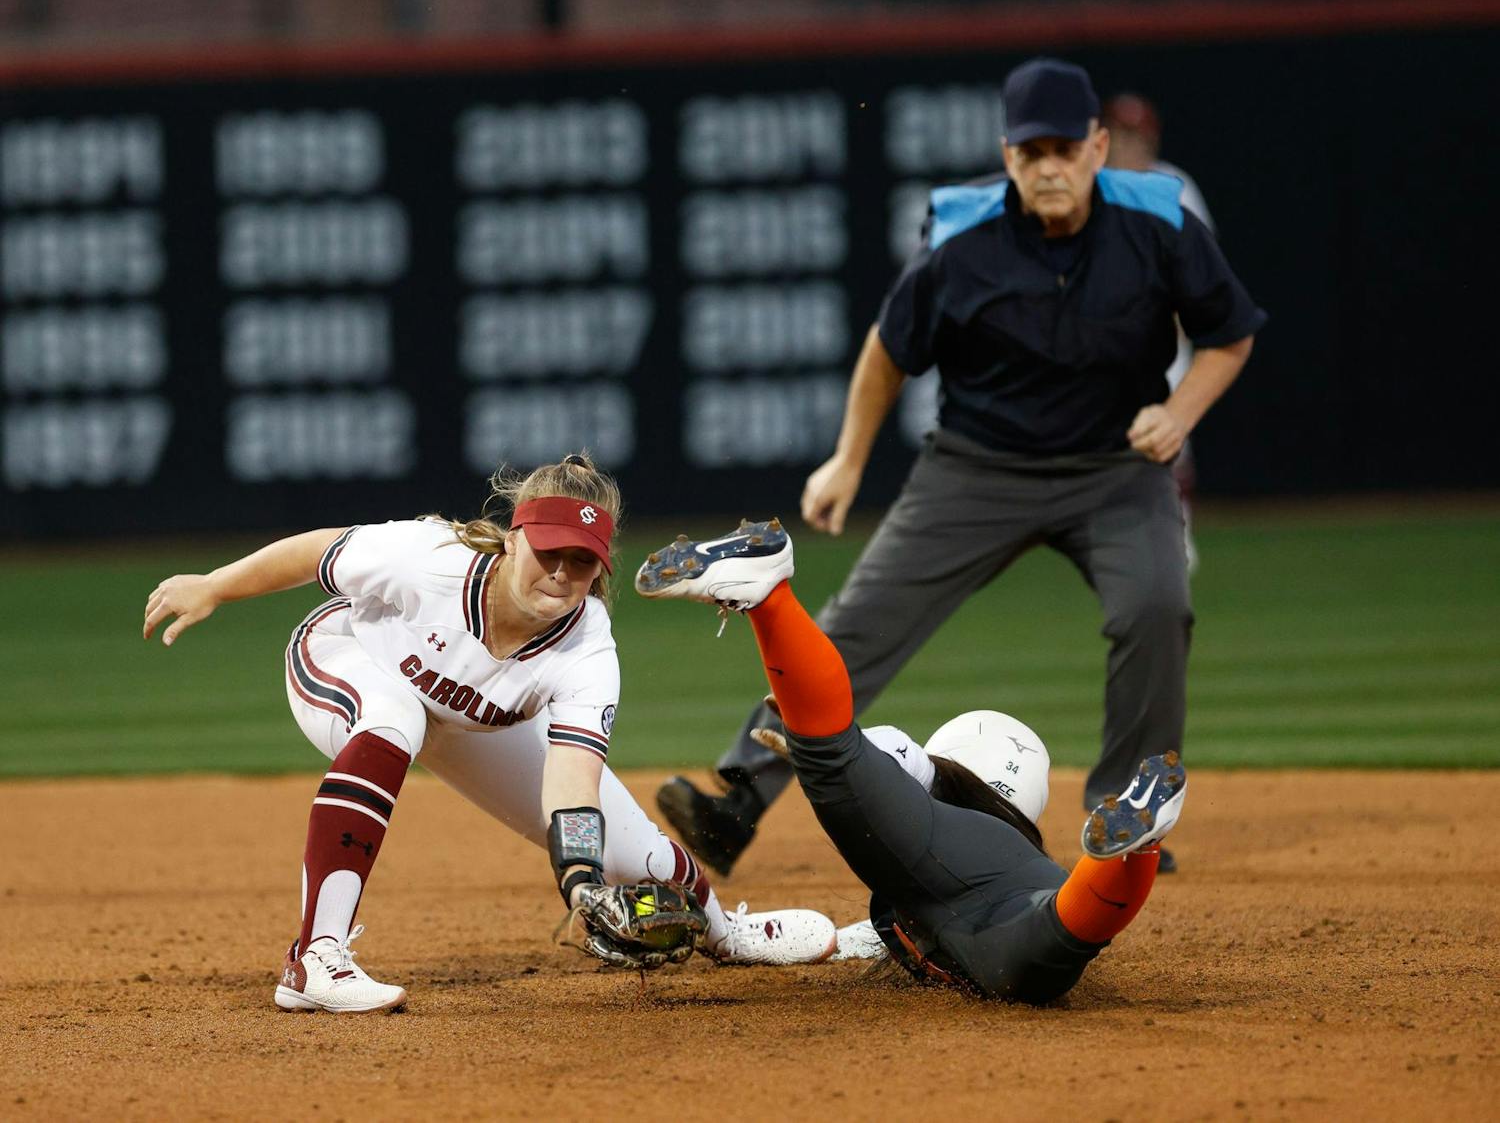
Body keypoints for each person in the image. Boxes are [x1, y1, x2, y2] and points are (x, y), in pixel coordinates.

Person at [656, 57, 1264, 879]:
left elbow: (1232, 332)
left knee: (1157, 605)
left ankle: (1128, 815)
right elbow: (887, 350)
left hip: (1116, 467)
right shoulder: (961, 233)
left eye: (1064, 147)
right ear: (1006, 152)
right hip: (977, 468)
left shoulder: (1157, 217)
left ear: (1097, 145)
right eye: (1030, 149)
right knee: (857, 627)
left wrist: (1181, 410)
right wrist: (847, 458)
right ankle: (737, 800)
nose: (1049, 165)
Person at [142, 454, 836, 1015]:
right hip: (347, 658)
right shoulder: (429, 559)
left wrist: (584, 882)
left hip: (465, 719)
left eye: (583, 561)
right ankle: (314, 957)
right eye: (550, 552)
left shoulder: (588, 649)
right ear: (513, 538)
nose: (563, 573)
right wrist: (215, 585)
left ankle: (727, 931)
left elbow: (572, 783)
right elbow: (316, 552)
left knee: (643, 855)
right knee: (397, 717)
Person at [637, 521, 1186, 1003]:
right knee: (1058, 939)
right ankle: (1133, 848)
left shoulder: (932, 831)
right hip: (1031, 898)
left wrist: (827, 743)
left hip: (986, 899)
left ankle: (771, 593)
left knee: (1055, 942)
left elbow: (897, 751)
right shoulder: (985, 855)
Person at [1103, 91, 1216, 572]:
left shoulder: (1174, 186)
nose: (1128, 145)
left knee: (1170, 438)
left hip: (1165, 336)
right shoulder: (1091, 185)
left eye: (1136, 135)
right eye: (1120, 134)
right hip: (1108, 341)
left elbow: (1202, 268)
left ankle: (1177, 527)